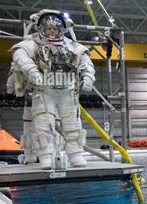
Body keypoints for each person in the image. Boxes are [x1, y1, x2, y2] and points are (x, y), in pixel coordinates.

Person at [11, 9, 95, 169]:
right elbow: (19, 55)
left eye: (54, 29)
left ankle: (75, 155)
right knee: (44, 126)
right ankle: (46, 157)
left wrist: (88, 77)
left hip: (67, 92)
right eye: (48, 28)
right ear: (41, 28)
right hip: (44, 92)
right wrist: (32, 71)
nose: (51, 32)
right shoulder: (33, 43)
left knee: (73, 126)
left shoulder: (71, 45)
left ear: (61, 30)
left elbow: (86, 61)